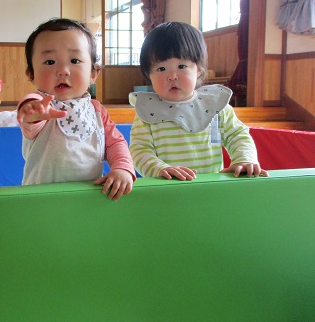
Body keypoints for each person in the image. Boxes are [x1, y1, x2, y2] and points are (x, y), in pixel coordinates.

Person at [129, 21, 268, 180]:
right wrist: (160, 169)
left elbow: (236, 135)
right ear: (149, 75)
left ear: (199, 70)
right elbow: (140, 150)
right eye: (161, 69)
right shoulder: (147, 112)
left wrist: (244, 159)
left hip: (211, 188)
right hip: (167, 188)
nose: (172, 76)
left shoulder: (215, 106)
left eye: (182, 66)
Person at [17, 18, 136, 200]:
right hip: (41, 200)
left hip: (88, 199)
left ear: (93, 73)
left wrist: (122, 168)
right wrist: (33, 112)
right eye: (50, 62)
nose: (63, 70)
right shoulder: (40, 105)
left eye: (74, 60)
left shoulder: (97, 111)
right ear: (31, 74)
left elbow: (115, 144)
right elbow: (29, 111)